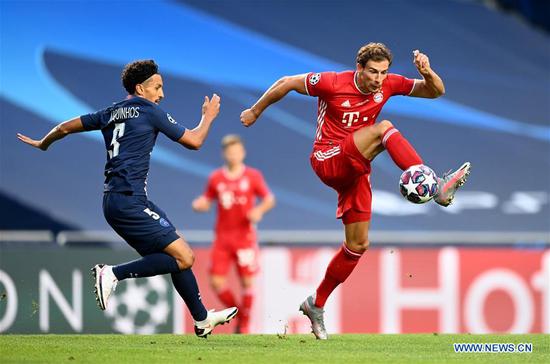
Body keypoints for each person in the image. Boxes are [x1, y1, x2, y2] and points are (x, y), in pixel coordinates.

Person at [240, 43, 471, 339]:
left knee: (357, 246)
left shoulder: (388, 85)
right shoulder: (332, 82)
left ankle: (316, 304)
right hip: (328, 158)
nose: (378, 79)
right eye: (373, 72)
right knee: (383, 128)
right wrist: (255, 111)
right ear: (359, 68)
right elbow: (287, 83)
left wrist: (427, 73)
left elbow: (435, 91)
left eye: (383, 72)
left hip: (357, 169)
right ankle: (435, 186)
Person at [17, 59, 237, 338]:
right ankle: (111, 274)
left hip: (117, 201)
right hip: (128, 201)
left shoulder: (109, 113)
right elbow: (194, 141)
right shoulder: (149, 111)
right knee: (185, 257)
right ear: (140, 88)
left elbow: (63, 128)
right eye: (157, 87)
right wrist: (209, 117)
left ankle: (202, 319)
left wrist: (43, 144)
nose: (162, 94)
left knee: (174, 254)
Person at [192, 134, 275, 333]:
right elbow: (207, 199)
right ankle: (237, 312)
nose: (233, 155)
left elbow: (268, 199)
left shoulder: (253, 176)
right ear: (224, 154)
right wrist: (200, 204)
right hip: (223, 238)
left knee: (247, 281)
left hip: (245, 237)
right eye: (230, 152)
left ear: (243, 153)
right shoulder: (216, 178)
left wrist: (258, 211)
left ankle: (244, 325)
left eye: (237, 152)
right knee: (216, 281)